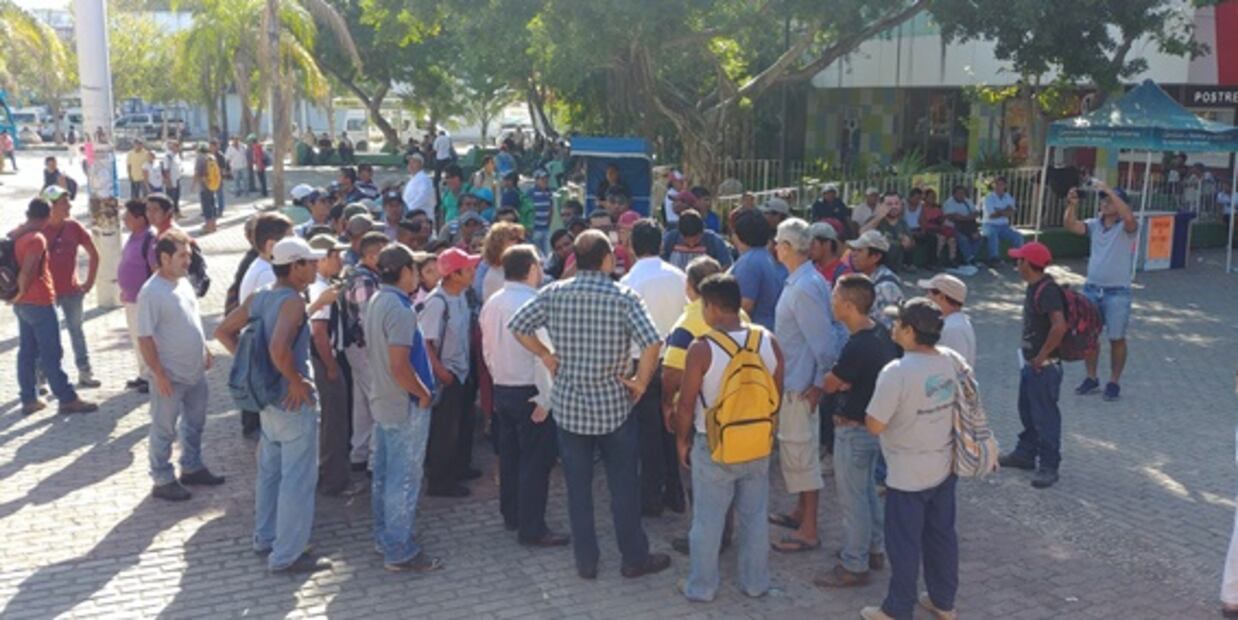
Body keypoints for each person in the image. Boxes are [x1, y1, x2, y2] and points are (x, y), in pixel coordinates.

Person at [509, 230, 671, 580]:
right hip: (614, 405)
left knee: (577, 490)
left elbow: (518, 325)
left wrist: (545, 354)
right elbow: (653, 343)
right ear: (606, 259)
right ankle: (633, 557)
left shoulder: (553, 294)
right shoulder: (624, 297)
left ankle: (587, 561)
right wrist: (641, 382)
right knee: (623, 487)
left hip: (569, 407)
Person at [215, 237, 332, 575]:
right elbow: (279, 348)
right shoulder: (293, 301)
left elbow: (223, 331)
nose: (314, 267)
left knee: (270, 474)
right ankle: (288, 555)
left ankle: (265, 538)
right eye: (309, 262)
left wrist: (253, 367)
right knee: (297, 480)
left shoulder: (261, 296)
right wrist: (296, 381)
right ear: (294, 266)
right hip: (291, 402)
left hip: (267, 402)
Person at [674, 274, 784, 602]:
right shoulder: (769, 340)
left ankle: (702, 587)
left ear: (711, 307)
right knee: (754, 518)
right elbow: (775, 396)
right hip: (757, 441)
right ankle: (755, 583)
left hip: (715, 444)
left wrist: (682, 440)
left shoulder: (702, 348)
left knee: (707, 522)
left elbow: (686, 402)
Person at [860, 298, 961, 620]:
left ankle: (898, 608)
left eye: (898, 322)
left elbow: (875, 425)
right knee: (942, 537)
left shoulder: (897, 371)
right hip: (945, 464)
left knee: (903, 544)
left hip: (907, 472)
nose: (892, 326)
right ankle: (943, 602)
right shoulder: (951, 360)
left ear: (909, 330)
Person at [813, 274, 900, 589]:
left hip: (853, 429)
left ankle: (854, 563)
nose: (831, 302)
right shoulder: (880, 334)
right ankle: (873, 550)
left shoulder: (857, 345)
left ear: (849, 305)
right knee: (866, 494)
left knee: (853, 501)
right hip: (873, 427)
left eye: (835, 297)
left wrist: (838, 381)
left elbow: (831, 383)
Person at [480, 244, 569, 547]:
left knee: (510, 456)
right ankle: (532, 528)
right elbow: (543, 356)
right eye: (539, 266)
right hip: (530, 391)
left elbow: (487, 348)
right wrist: (546, 398)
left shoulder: (492, 302)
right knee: (535, 461)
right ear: (531, 269)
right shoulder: (536, 303)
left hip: (503, 386)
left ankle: (512, 514)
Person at [363, 243, 444, 572]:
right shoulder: (399, 308)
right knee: (404, 478)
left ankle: (387, 536)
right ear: (405, 271)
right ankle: (399, 549)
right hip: (403, 403)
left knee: (384, 475)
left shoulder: (378, 300)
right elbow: (400, 365)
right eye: (414, 270)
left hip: (385, 401)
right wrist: (423, 393)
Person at [768, 218, 841, 553]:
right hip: (795, 382)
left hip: (800, 387)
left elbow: (824, 343)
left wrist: (817, 384)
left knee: (802, 455)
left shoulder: (804, 287)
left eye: (778, 242)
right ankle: (800, 512)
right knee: (795, 453)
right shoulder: (801, 281)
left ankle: (809, 528)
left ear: (786, 247)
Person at [138, 228, 225, 501]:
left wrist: (205, 349)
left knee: (195, 423)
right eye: (183, 255)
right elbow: (145, 337)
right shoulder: (151, 292)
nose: (188, 260)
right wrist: (159, 373)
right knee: (164, 428)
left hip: (195, 371)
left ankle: (192, 466)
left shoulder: (184, 282)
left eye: (188, 255)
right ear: (164, 257)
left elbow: (192, 320)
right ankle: (162, 479)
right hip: (170, 376)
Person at [620, 219, 688, 517]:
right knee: (672, 428)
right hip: (678, 361)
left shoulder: (628, 284)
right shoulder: (679, 276)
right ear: (661, 244)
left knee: (646, 434)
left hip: (642, 365)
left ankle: (651, 497)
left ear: (632, 246)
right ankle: (675, 492)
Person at [8, 198, 98, 416]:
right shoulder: (37, 238)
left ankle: (28, 399)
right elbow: (28, 271)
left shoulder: (17, 234)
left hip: (22, 305)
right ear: (47, 216)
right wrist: (21, 291)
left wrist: (16, 297)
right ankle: (67, 398)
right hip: (39, 302)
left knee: (27, 352)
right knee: (51, 352)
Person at [1000, 242, 1068, 489]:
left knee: (1045, 417)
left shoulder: (1047, 291)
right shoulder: (1034, 287)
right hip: (1032, 364)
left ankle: (1049, 465)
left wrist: (1042, 356)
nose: (1016, 264)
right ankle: (1025, 453)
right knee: (1028, 411)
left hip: (1044, 366)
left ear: (1028, 264)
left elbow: (1059, 326)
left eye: (1019, 260)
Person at [1063, 183, 1137, 402]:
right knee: (1089, 336)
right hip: (1092, 289)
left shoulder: (1127, 227)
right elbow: (1070, 225)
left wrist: (1111, 191)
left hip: (1118, 293)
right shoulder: (1095, 225)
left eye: (1109, 201)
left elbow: (1129, 217)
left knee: (1117, 338)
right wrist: (1072, 205)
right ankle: (1091, 377)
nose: (1104, 204)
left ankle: (1113, 381)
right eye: (1102, 200)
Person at [420, 247, 480, 497]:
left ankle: (459, 467)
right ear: (454, 275)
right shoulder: (437, 302)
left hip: (464, 370)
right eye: (468, 269)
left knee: (463, 423)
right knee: (444, 430)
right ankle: (440, 480)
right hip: (448, 375)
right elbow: (425, 343)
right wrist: (442, 373)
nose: (473, 272)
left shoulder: (464, 296)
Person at [237, 213, 295, 437]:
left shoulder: (263, 268)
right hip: (273, 373)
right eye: (290, 239)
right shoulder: (266, 275)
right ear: (271, 245)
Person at [41, 185, 101, 388]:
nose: (69, 206)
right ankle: (41, 377)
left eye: (68, 202)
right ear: (51, 206)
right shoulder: (39, 228)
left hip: (72, 292)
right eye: (64, 203)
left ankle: (85, 372)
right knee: (47, 335)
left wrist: (89, 282)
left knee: (77, 331)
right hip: (46, 293)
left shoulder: (74, 227)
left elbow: (94, 254)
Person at [305, 234, 350, 496]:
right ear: (321, 259)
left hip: (328, 359)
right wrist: (331, 365)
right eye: (335, 255)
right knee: (333, 421)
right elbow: (319, 332)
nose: (340, 260)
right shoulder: (320, 290)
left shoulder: (323, 284)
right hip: (326, 361)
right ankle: (333, 480)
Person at [341, 231, 389, 471]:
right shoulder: (364, 279)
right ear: (371, 255)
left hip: (359, 348)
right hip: (364, 348)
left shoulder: (366, 275)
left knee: (362, 402)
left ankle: (360, 453)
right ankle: (374, 459)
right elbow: (366, 320)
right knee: (377, 401)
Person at [119, 199, 156, 393]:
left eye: (128, 217)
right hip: (130, 298)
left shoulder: (150, 240)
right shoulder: (134, 237)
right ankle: (144, 375)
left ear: (140, 219)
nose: (124, 220)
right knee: (136, 338)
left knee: (146, 338)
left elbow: (156, 270)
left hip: (143, 299)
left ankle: (153, 377)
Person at [729, 210, 783, 331]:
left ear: (738, 235)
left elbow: (745, 305)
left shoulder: (749, 262)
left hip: (754, 332)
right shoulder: (765, 256)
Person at [848, 230, 904, 328]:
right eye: (854, 250)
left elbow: (887, 329)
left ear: (876, 257)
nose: (853, 255)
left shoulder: (886, 288)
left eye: (860, 250)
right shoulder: (864, 277)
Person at [919, 273, 975, 366]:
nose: (926, 297)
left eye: (929, 293)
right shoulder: (955, 322)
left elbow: (953, 368)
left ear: (941, 297)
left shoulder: (953, 329)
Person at [661, 209, 732, 272]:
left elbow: (726, 264)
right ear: (681, 234)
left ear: (702, 232)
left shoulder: (713, 240)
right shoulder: (671, 238)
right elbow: (661, 261)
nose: (691, 244)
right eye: (687, 240)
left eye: (695, 240)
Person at [861, 192, 914, 271]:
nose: (894, 206)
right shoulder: (876, 220)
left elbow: (911, 245)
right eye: (889, 204)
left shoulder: (903, 223)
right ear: (882, 205)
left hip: (894, 270)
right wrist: (880, 216)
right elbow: (862, 233)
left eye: (897, 203)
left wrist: (908, 244)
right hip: (873, 270)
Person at [982, 176, 1024, 264]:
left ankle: (1017, 258)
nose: (998, 186)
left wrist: (999, 211)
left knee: (1018, 236)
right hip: (989, 225)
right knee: (993, 235)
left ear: (1005, 185)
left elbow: (1012, 212)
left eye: (1001, 184)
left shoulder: (1008, 197)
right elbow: (992, 215)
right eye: (997, 184)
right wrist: (1006, 211)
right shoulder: (988, 198)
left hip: (1004, 226)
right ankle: (993, 259)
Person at [942, 185, 980, 265]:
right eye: (959, 193)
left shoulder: (967, 201)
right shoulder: (949, 203)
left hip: (968, 226)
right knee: (963, 239)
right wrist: (968, 217)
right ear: (954, 194)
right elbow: (953, 217)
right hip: (953, 227)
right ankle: (970, 259)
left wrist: (966, 218)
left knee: (978, 237)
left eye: (963, 193)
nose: (961, 195)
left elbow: (976, 213)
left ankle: (970, 257)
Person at [192, 144, 221, 234]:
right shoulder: (212, 157)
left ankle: (208, 227)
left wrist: (193, 185)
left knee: (206, 207)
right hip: (213, 184)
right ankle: (214, 225)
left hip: (204, 186)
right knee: (212, 205)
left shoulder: (200, 158)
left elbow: (197, 173)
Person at [402, 153, 435, 227]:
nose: (410, 165)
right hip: (411, 217)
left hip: (423, 218)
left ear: (420, 164)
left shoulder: (424, 179)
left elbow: (423, 197)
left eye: (414, 162)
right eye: (409, 162)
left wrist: (409, 209)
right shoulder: (412, 180)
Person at [526, 171, 554, 254]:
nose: (545, 180)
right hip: (535, 229)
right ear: (536, 180)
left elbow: (551, 209)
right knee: (536, 253)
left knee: (547, 253)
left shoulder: (549, 192)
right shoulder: (531, 193)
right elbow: (527, 210)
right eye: (542, 179)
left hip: (545, 229)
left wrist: (548, 224)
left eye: (546, 178)